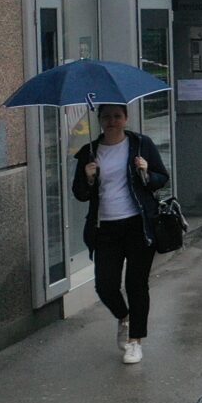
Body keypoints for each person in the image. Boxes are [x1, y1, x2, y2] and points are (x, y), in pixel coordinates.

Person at [72, 103, 170, 366]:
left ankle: (135, 341)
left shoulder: (140, 145)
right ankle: (125, 318)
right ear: (100, 120)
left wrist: (146, 172)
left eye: (117, 116)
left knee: (136, 284)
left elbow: (162, 178)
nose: (112, 121)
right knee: (104, 285)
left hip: (139, 224)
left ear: (126, 119)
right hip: (105, 227)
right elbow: (79, 193)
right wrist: (88, 177)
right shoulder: (89, 153)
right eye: (106, 117)